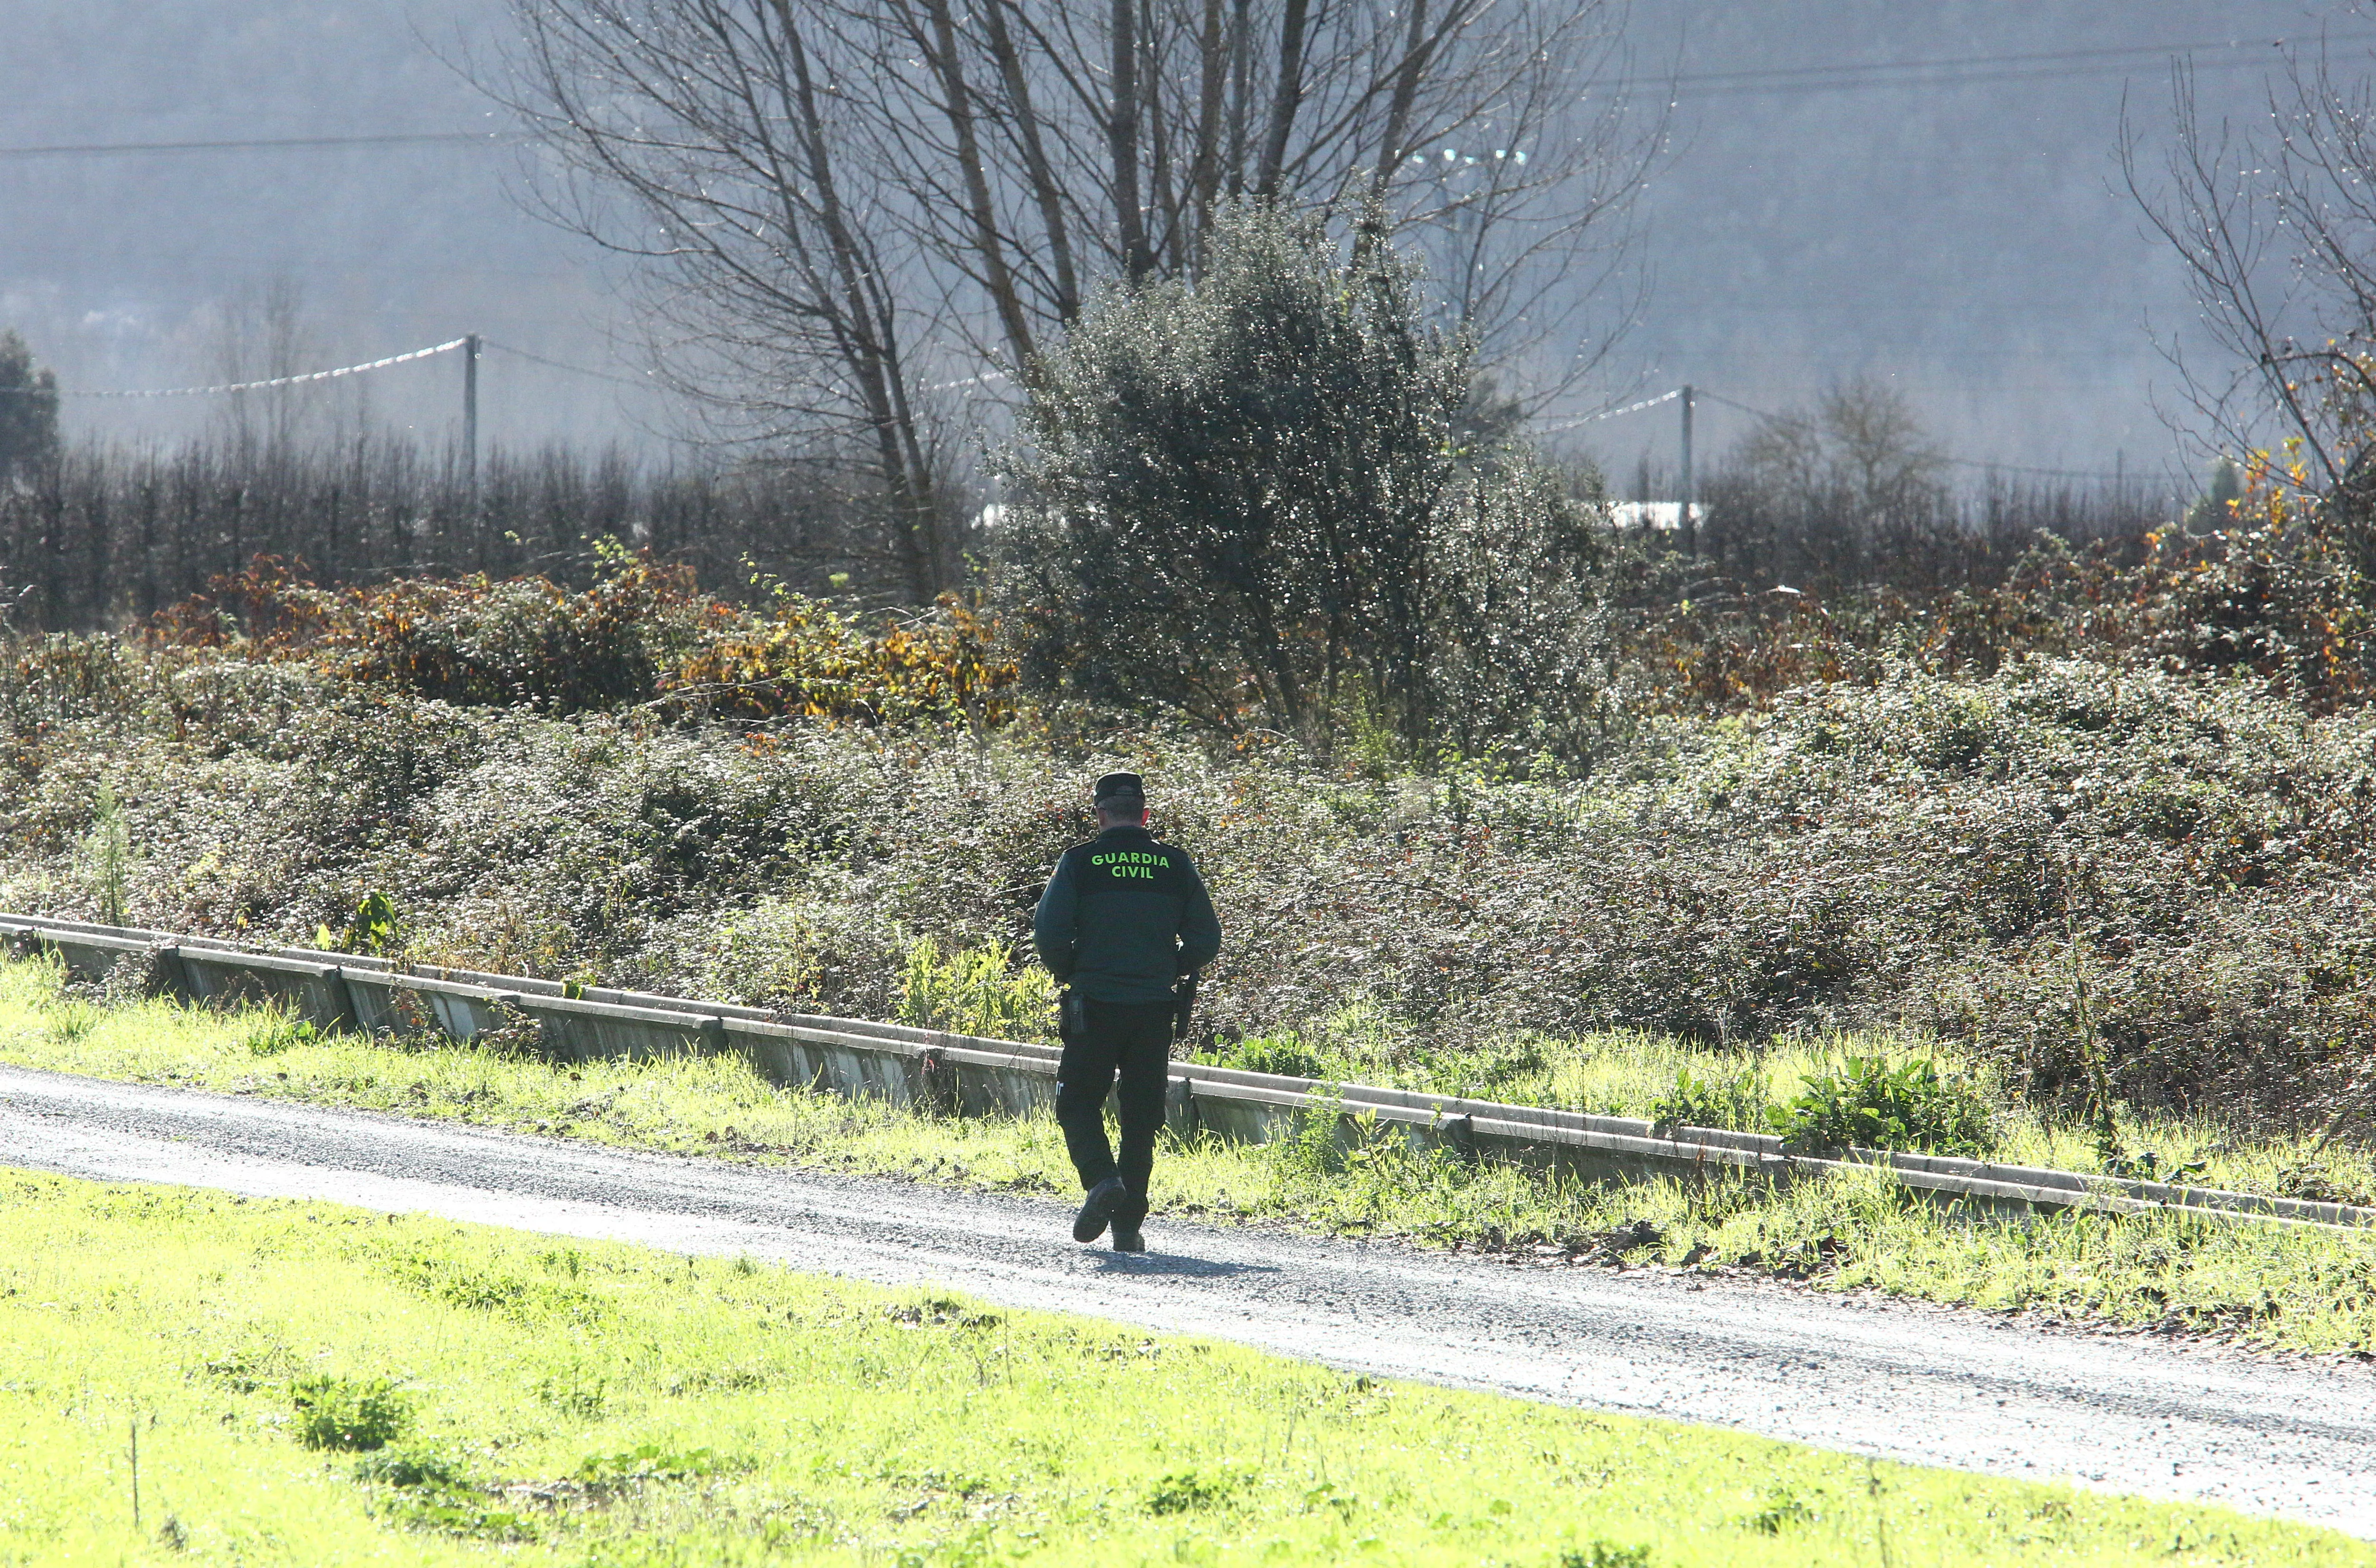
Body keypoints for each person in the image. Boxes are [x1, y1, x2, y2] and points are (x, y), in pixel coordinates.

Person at [1032, 771, 1221, 1252]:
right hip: (1154, 1007)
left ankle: (1100, 1181)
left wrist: (1077, 970)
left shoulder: (1080, 862)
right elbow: (1206, 939)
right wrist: (1165, 968)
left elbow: (1049, 934)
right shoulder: (1174, 864)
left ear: (1099, 815)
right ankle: (1127, 1228)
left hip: (1093, 1006)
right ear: (1145, 814)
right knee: (1141, 1119)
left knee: (1076, 1103)